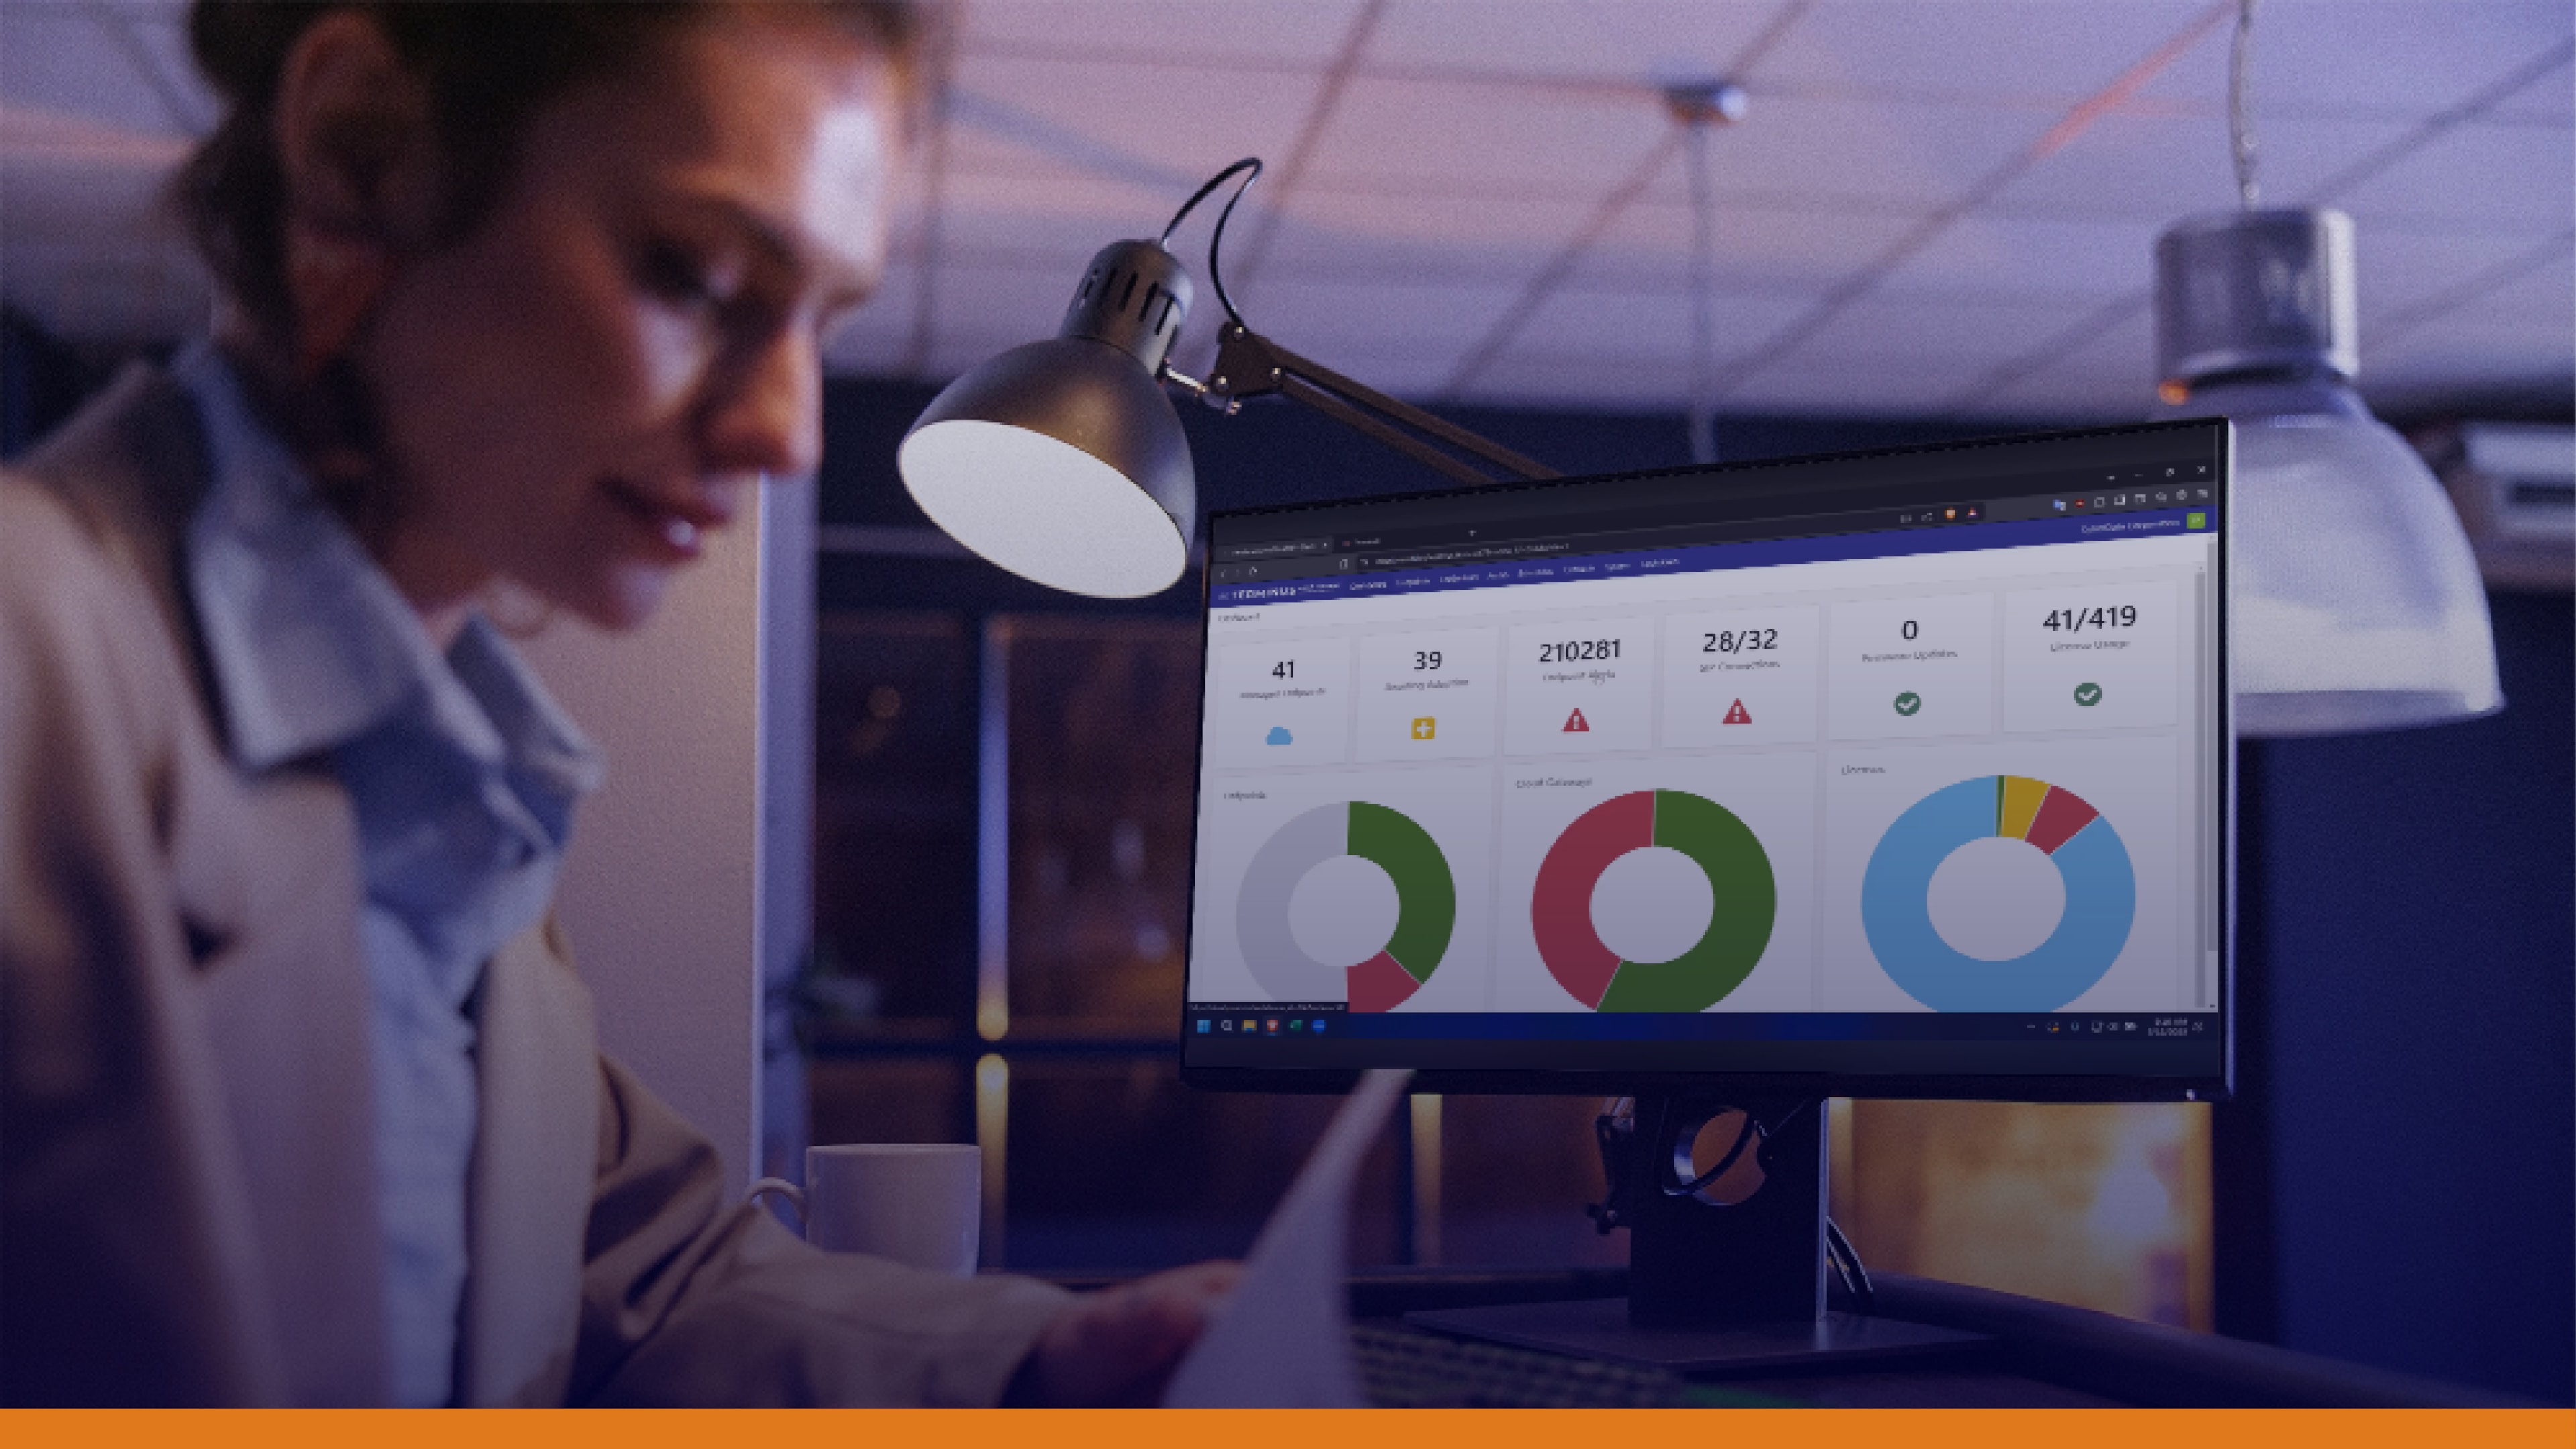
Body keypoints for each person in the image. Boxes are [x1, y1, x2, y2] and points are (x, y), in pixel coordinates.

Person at [0, 1, 1233, 1407]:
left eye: (819, 324)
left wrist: (1045, 1356)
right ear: (363, 152)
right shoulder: (32, 671)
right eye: (701, 279)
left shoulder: (447, 787)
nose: (788, 429)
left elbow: (642, 1279)